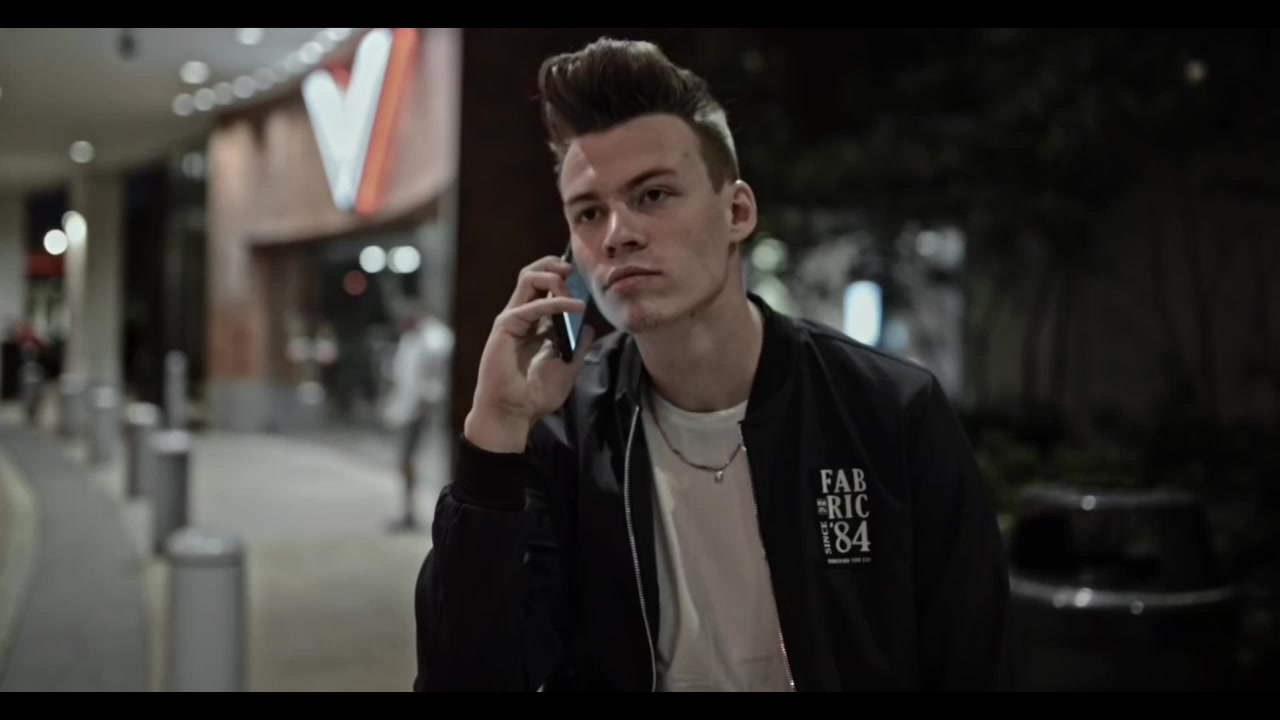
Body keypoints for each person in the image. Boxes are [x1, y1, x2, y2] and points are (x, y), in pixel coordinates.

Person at [414, 37, 1013, 691]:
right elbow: (466, 678)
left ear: (737, 211)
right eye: (589, 212)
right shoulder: (566, 434)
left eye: (652, 195)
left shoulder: (888, 412)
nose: (618, 234)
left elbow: (973, 662)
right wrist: (495, 432)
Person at [383, 305, 454, 530]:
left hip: (420, 411)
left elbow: (434, 377)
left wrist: (426, 403)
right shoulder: (411, 340)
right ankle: (409, 510)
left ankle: (416, 512)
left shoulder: (435, 339)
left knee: (413, 459)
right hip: (407, 409)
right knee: (406, 460)